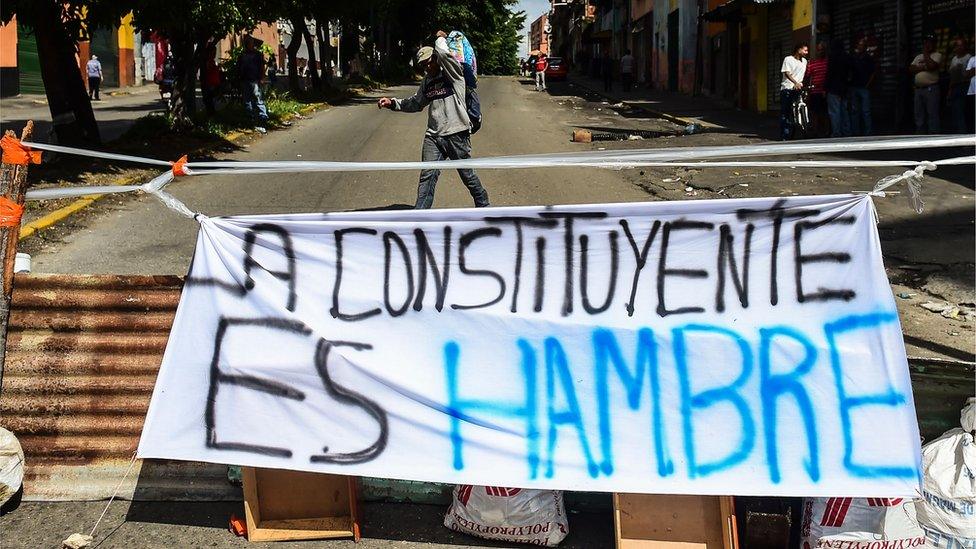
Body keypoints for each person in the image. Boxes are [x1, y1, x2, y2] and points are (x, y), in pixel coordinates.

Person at [376, 31, 489, 210]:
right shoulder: (427, 82)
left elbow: (445, 54)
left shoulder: (454, 75)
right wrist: (392, 103)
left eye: (429, 63)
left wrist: (440, 38)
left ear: (436, 58)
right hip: (434, 136)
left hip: (456, 133)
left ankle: (483, 204)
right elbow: (415, 102)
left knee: (467, 175)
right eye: (423, 66)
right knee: (427, 176)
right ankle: (420, 214)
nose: (427, 68)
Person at [910, 34, 943, 134]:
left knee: (932, 114)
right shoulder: (918, 57)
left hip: (931, 89)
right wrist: (924, 67)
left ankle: (933, 137)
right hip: (918, 89)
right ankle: (920, 137)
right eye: (927, 42)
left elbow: (932, 66)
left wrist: (925, 53)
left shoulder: (937, 55)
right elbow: (911, 69)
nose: (929, 45)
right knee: (918, 114)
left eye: (931, 42)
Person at [238, 37, 269, 133]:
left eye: (250, 43)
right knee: (248, 101)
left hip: (255, 80)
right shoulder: (242, 55)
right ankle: (250, 119)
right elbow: (239, 68)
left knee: (258, 99)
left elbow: (262, 67)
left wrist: (262, 78)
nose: (249, 45)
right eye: (247, 43)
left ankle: (263, 118)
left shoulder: (257, 55)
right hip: (245, 80)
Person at [779, 43, 808, 140]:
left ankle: (803, 127)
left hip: (798, 89)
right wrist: (795, 82)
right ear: (798, 50)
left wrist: (801, 84)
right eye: (805, 50)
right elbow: (786, 73)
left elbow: (803, 75)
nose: (806, 52)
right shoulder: (788, 59)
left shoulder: (804, 61)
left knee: (798, 109)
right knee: (786, 113)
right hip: (787, 88)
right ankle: (785, 135)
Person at [848, 37, 876, 136]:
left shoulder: (868, 58)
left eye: (862, 45)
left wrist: (868, 84)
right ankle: (856, 132)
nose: (860, 47)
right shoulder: (854, 57)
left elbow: (873, 72)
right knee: (855, 111)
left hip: (864, 87)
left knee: (866, 111)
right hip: (854, 87)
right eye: (859, 45)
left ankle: (868, 132)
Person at [825, 39, 851, 137]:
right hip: (844, 88)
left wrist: (825, 88)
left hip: (833, 88)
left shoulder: (832, 57)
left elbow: (829, 73)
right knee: (844, 111)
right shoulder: (847, 56)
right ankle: (847, 131)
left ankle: (836, 132)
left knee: (834, 112)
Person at [947, 37, 972, 134]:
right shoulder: (954, 59)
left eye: (961, 45)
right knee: (955, 113)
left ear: (965, 46)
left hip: (965, 87)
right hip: (955, 87)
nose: (959, 47)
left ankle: (965, 140)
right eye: (957, 45)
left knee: (962, 113)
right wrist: (949, 90)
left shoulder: (969, 57)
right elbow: (952, 76)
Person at [804, 41, 829, 137]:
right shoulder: (812, 63)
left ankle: (826, 130)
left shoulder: (828, 62)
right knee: (815, 112)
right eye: (819, 50)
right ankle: (816, 130)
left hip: (825, 91)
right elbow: (807, 75)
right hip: (815, 92)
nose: (820, 52)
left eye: (822, 50)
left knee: (825, 112)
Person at [966, 53, 976, 134]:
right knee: (972, 117)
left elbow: (971, 71)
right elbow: (967, 74)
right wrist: (973, 70)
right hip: (972, 92)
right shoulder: (973, 59)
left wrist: (973, 70)